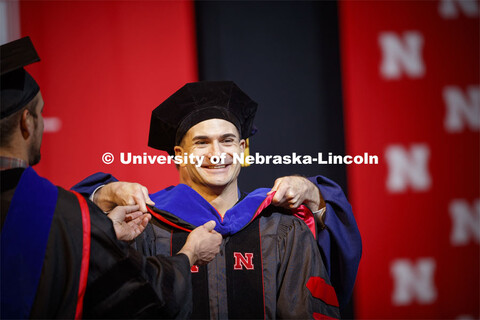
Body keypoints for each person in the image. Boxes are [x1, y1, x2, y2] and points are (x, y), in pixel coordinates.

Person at [74, 81, 362, 318]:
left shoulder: (282, 229)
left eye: (227, 140)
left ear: (243, 148)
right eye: (201, 142)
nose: (216, 153)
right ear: (179, 154)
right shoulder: (146, 225)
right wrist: (105, 193)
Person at [0, 37, 223, 319]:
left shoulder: (65, 217)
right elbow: (138, 298)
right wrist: (189, 253)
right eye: (41, 112)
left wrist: (100, 230)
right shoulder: (61, 214)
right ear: (26, 122)